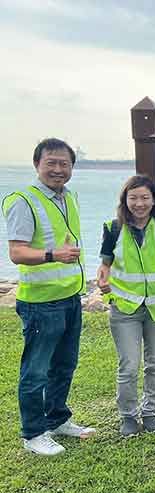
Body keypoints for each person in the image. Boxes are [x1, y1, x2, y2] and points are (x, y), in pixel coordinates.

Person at [2, 138, 96, 456]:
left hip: (70, 297)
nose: (58, 169)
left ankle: (57, 419)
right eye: (51, 163)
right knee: (36, 371)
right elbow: (16, 252)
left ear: (72, 167)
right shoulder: (23, 200)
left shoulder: (69, 198)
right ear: (37, 164)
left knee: (64, 365)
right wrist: (52, 254)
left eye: (64, 163)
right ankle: (33, 433)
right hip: (41, 303)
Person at [96, 175, 155, 437]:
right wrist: (102, 277)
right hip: (125, 308)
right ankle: (127, 415)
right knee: (128, 365)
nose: (139, 203)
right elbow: (105, 265)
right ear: (125, 200)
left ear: (153, 200)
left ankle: (150, 412)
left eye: (145, 197)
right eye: (133, 197)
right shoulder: (113, 228)